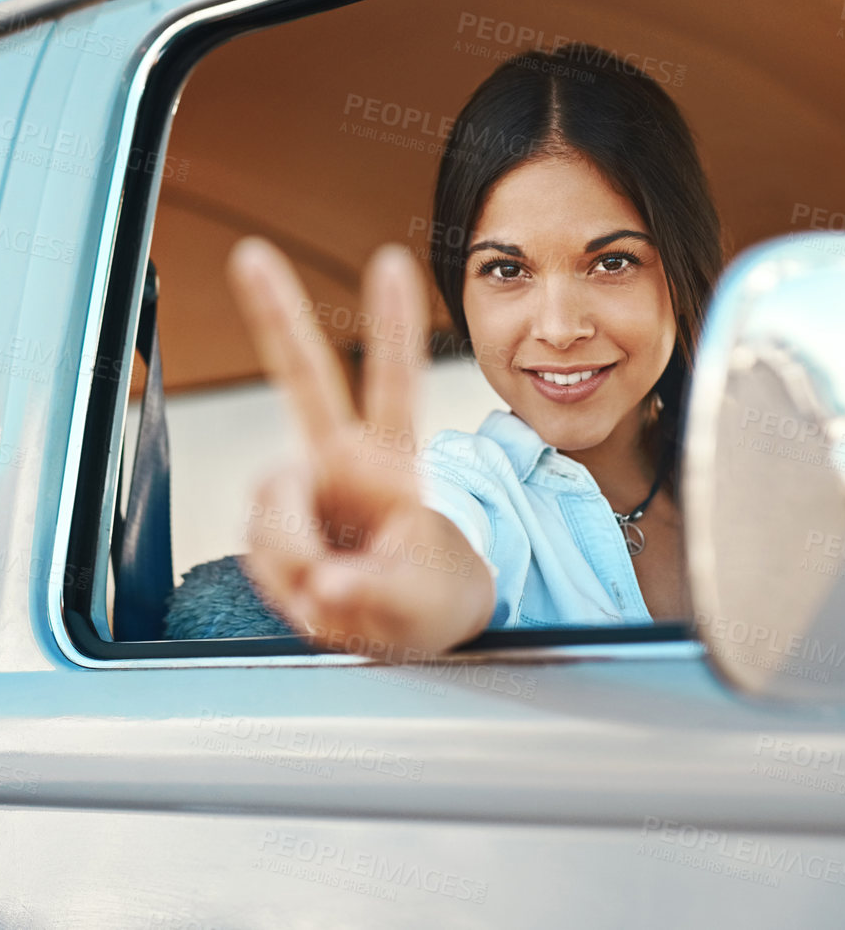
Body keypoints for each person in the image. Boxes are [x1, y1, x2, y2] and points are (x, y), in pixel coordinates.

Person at [225, 43, 721, 658]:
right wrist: (389, 580)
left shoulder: (767, 485)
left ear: (681, 270)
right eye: (507, 270)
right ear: (460, 290)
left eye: (612, 262)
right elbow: (438, 562)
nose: (560, 328)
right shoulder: (471, 487)